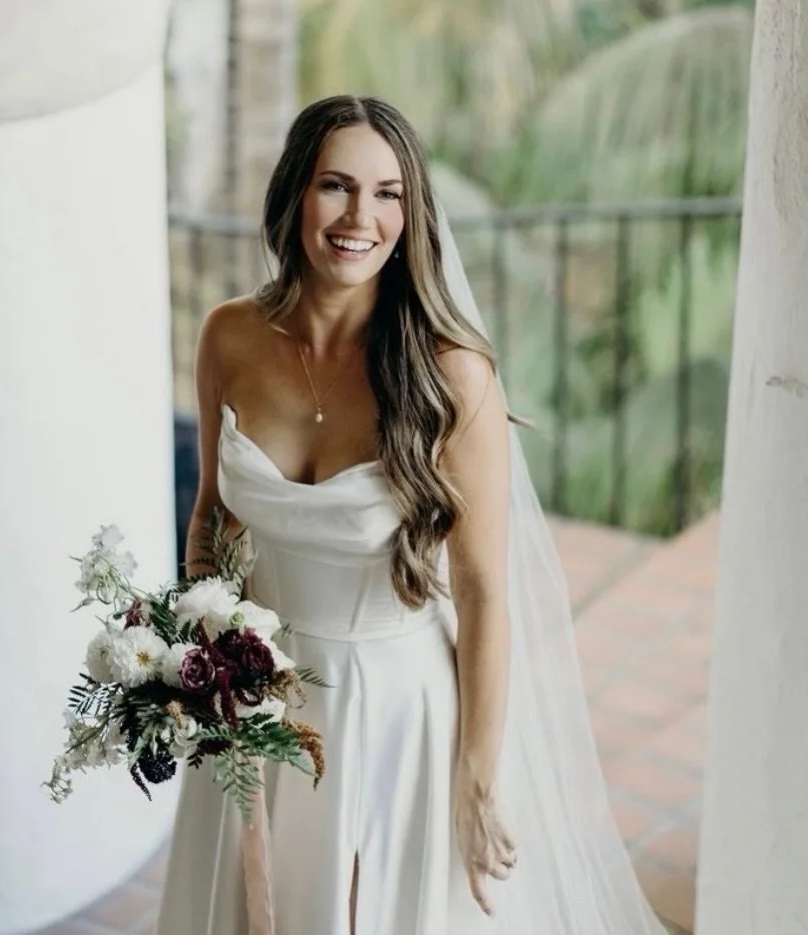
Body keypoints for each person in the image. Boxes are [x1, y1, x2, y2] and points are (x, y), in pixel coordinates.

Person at [156, 95, 668, 935]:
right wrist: (200, 661)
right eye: (337, 186)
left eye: (388, 192)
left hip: (390, 710)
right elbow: (214, 516)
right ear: (295, 195)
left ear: (412, 210)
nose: (362, 216)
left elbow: (483, 593)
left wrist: (475, 773)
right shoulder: (228, 338)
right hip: (253, 703)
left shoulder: (449, 375)